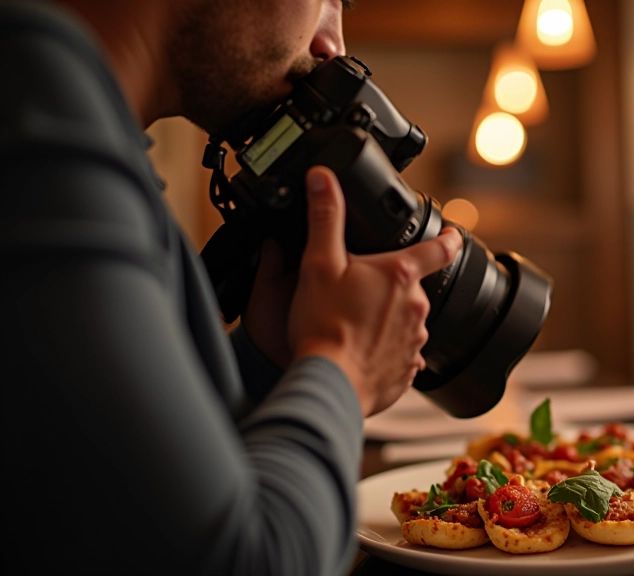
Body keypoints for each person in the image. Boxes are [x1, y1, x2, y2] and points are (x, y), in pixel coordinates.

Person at [0, 0, 462, 574]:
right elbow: (248, 561)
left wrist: (269, 364)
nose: (332, 44)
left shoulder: (70, 119)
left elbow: (108, 487)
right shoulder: (36, 136)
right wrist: (342, 368)